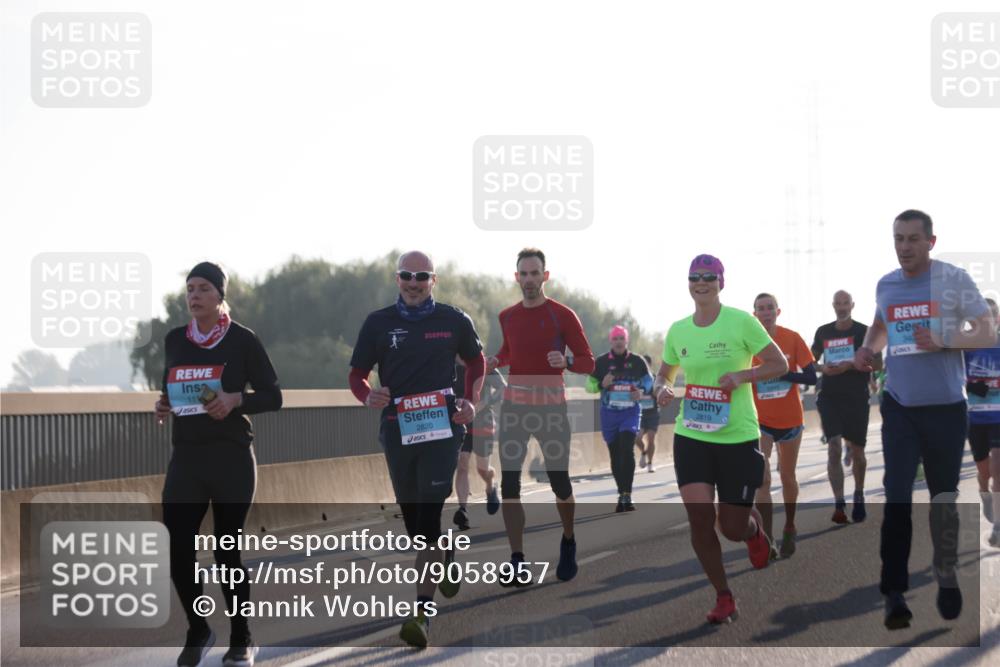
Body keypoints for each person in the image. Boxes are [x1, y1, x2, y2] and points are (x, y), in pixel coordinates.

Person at [853, 209, 996, 630]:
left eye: (913, 239)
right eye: (898, 239)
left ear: (931, 242)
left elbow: (987, 331)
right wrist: (868, 349)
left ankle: (946, 569)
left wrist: (944, 339)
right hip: (899, 405)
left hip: (946, 408)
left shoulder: (953, 280)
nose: (904, 247)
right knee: (896, 494)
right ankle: (893, 593)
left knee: (943, 498)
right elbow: (880, 325)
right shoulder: (887, 284)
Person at [348, 251, 485, 648]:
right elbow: (357, 375)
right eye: (406, 275)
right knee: (416, 528)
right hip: (397, 429)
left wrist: (470, 400)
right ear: (397, 279)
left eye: (421, 276)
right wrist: (367, 395)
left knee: (428, 516)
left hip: (442, 428)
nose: (413, 283)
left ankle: (422, 614)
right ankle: (445, 552)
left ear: (433, 281)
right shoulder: (378, 323)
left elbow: (477, 363)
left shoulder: (454, 320)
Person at [154, 262, 282, 667]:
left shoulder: (242, 340)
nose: (194, 295)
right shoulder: (175, 339)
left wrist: (235, 399)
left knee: (227, 551)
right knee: (177, 548)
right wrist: (163, 403)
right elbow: (172, 388)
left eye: (203, 288)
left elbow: (273, 396)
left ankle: (242, 638)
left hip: (231, 458)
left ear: (220, 295)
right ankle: (198, 628)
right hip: (187, 458)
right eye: (190, 288)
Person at [654, 254, 788, 624]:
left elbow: (779, 364)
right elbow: (664, 374)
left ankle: (753, 532)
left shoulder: (741, 321)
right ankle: (723, 596)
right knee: (700, 518)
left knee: (731, 528)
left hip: (737, 436)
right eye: (694, 277)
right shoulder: (678, 330)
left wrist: (742, 377)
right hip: (692, 434)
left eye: (708, 277)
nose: (701, 282)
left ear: (720, 283)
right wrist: (661, 388)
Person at [487, 248, 595, 585]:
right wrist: (496, 360)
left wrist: (567, 362)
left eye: (535, 273)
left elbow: (588, 361)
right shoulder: (507, 316)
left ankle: (568, 539)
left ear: (545, 276)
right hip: (515, 408)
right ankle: (517, 560)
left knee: (559, 481)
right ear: (516, 277)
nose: (529, 279)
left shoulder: (563, 315)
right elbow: (511, 350)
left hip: (551, 409)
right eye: (524, 274)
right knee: (510, 484)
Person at [751, 293, 817, 559]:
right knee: (762, 480)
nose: (766, 312)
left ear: (777, 312)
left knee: (787, 477)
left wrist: (784, 374)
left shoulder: (792, 338)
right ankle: (767, 539)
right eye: (761, 309)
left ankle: (790, 525)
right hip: (760, 421)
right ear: (754, 314)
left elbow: (811, 377)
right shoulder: (747, 344)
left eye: (770, 308)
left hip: (790, 419)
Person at [811, 290, 880, 524]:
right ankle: (839, 503)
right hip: (829, 397)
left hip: (856, 398)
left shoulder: (864, 332)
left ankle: (858, 494)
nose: (842, 307)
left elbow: (878, 363)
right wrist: (822, 368)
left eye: (845, 303)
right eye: (838, 303)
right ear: (833, 306)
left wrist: (850, 364)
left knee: (858, 452)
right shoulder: (823, 332)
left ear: (852, 305)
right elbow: (809, 362)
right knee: (833, 447)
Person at [586, 326, 653, 512]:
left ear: (626, 341)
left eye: (621, 338)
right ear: (611, 341)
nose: (618, 342)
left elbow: (649, 381)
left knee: (626, 448)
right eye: (615, 338)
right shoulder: (601, 362)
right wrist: (602, 384)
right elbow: (589, 386)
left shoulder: (637, 361)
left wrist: (642, 391)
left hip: (630, 412)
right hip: (609, 414)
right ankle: (621, 492)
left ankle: (627, 495)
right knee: (615, 454)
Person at [452, 356, 505, 530]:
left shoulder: (481, 362)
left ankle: (490, 486)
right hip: (460, 421)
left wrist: (483, 403)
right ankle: (463, 510)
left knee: (483, 469)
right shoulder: (447, 363)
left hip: (483, 422)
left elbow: (503, 388)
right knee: (462, 464)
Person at [965, 297, 1000, 546]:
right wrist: (974, 386)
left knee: (998, 469)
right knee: (984, 472)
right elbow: (954, 376)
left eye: (991, 315)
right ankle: (984, 493)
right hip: (976, 417)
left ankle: (997, 525)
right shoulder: (967, 347)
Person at [638, 353, 661, 473]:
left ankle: (650, 463)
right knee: (637, 438)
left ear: (650, 365)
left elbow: (660, 392)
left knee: (651, 438)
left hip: (652, 413)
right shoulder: (636, 379)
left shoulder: (655, 378)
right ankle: (643, 452)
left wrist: (656, 394)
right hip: (639, 413)